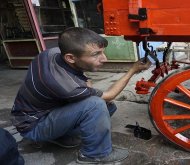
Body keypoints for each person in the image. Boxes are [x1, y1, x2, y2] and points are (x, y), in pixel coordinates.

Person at [10, 27, 151, 164]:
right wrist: (132, 70)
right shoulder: (68, 86)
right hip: (33, 125)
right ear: (70, 57)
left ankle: (60, 136)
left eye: (102, 52)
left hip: (36, 113)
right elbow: (109, 95)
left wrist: (87, 84)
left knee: (108, 107)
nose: (104, 59)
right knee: (96, 105)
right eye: (96, 54)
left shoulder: (50, 54)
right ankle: (95, 154)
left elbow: (84, 79)